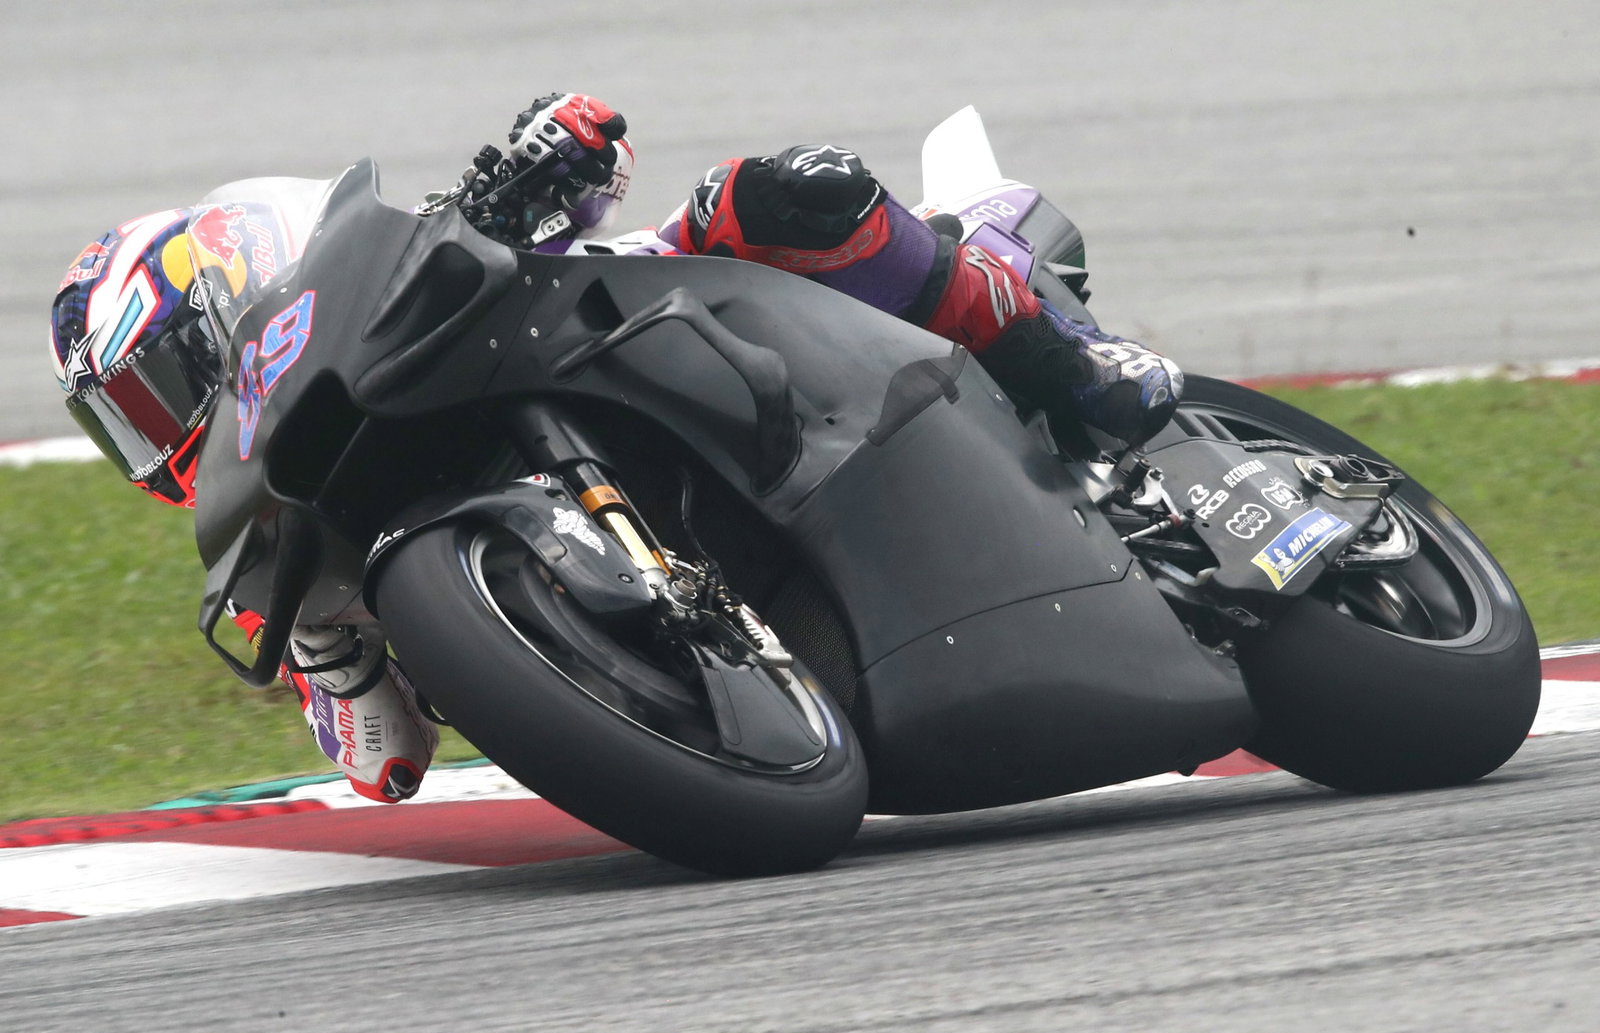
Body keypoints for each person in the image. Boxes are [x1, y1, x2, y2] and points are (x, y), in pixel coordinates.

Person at [48, 93, 1181, 803]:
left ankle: (1070, 359)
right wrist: (332, 651)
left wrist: (552, 157)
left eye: (154, 387)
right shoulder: (288, 569)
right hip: (751, 685)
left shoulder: (378, 282)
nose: (157, 432)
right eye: (124, 423)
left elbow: (580, 191)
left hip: (629, 326)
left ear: (225, 294)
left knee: (779, 193)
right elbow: (383, 764)